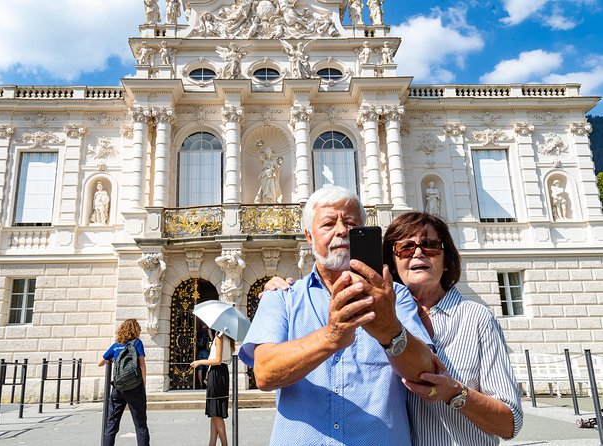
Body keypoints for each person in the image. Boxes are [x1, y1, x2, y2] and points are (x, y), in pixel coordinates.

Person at [239, 185, 436, 445]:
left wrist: (390, 330)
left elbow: (426, 373)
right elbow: (264, 373)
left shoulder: (394, 296)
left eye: (352, 223)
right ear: (309, 237)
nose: (342, 230)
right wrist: (331, 337)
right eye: (329, 223)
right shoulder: (281, 297)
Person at [383, 211, 522, 445]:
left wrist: (454, 393)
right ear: (394, 264)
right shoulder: (381, 323)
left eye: (430, 245)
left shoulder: (477, 318)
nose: (418, 252)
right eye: (405, 248)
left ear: (446, 261)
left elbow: (509, 423)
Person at [98, 319, 150, 446]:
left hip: (118, 388)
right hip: (135, 388)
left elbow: (100, 363)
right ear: (135, 330)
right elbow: (142, 365)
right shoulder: (137, 343)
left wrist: (113, 358)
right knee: (140, 425)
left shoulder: (116, 345)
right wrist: (143, 383)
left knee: (111, 424)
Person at [190, 330, 235, 446]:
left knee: (216, 413)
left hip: (216, 373)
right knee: (214, 412)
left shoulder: (220, 337)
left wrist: (199, 362)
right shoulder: (226, 337)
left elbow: (217, 360)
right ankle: (212, 443)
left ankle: (225, 444)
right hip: (221, 373)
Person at [195, 323, 212, 389]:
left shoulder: (197, 331)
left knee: (200, 368)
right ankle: (206, 379)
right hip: (205, 350)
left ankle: (201, 384)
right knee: (209, 366)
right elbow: (212, 339)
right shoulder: (208, 330)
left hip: (199, 351)